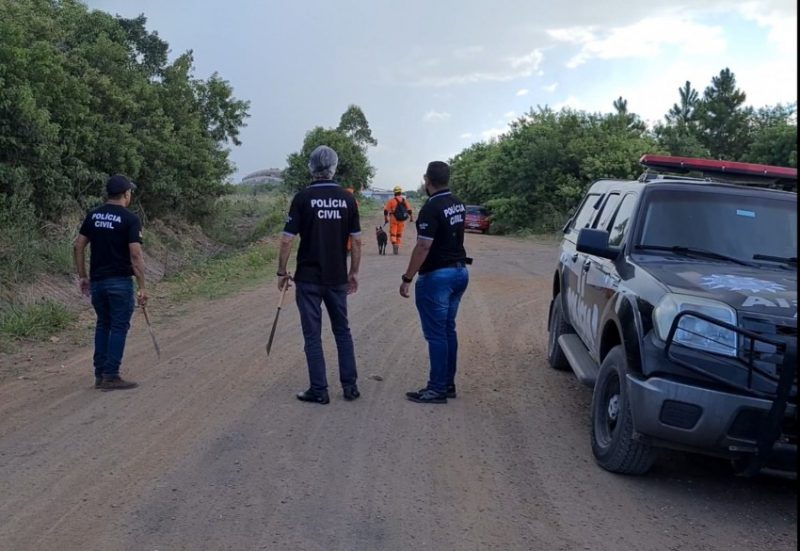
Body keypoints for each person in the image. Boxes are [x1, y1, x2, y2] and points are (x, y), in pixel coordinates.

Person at [277, 145, 362, 404]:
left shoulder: (302, 198)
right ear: (334, 168)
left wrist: (281, 271)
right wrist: (354, 272)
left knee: (312, 334)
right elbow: (357, 241)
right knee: (342, 331)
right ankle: (350, 387)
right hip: (337, 277)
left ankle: (319, 390)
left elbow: (286, 240)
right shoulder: (348, 199)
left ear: (311, 168)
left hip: (309, 279)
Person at [399, 161, 469, 404]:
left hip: (438, 276)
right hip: (460, 273)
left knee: (437, 334)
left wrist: (408, 277)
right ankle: (447, 384)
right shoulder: (458, 203)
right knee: (448, 329)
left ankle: (437, 388)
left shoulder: (431, 207)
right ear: (447, 179)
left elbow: (423, 245)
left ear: (426, 180)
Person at [73, 174, 148, 391]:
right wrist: (142, 286)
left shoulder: (93, 215)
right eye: (130, 192)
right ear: (126, 194)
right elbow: (135, 254)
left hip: (97, 282)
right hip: (119, 283)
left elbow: (78, 246)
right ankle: (111, 375)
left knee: (103, 324)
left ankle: (100, 374)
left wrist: (83, 276)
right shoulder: (130, 219)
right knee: (118, 326)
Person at [384, 185, 414, 255]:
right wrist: (411, 218)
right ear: (400, 192)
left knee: (393, 233)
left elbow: (386, 211)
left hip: (393, 219)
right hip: (402, 219)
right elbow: (409, 210)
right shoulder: (404, 200)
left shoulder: (391, 201)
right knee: (399, 234)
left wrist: (386, 218)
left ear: (394, 193)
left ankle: (394, 244)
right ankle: (397, 245)